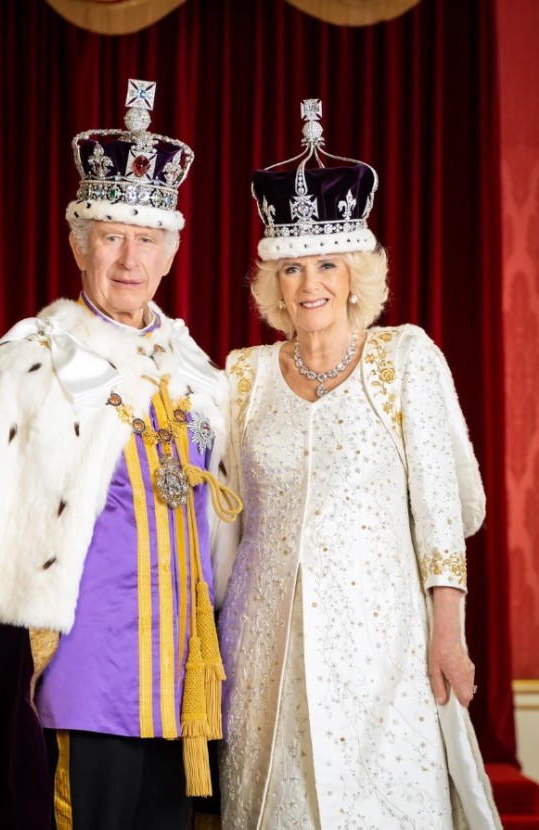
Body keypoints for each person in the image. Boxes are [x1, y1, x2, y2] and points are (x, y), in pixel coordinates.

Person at [0, 79, 240, 830]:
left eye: (146, 238)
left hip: (184, 687)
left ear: (170, 250)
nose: (129, 256)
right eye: (110, 234)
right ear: (79, 242)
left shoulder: (201, 375)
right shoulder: (28, 367)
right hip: (80, 681)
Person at [216, 99, 501, 829]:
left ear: (355, 273)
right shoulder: (241, 377)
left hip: (383, 648)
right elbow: (222, 519)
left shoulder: (405, 359)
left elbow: (443, 511)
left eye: (326, 264)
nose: (309, 282)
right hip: (263, 648)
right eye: (290, 266)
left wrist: (449, 632)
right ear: (271, 280)